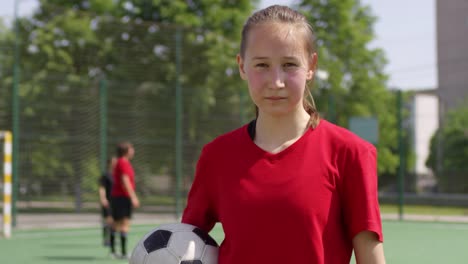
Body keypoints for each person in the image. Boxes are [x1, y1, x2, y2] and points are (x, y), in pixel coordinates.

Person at [182, 5, 386, 264]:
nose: (275, 81)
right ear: (242, 66)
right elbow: (184, 245)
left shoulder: (351, 152)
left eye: (289, 64)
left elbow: (371, 257)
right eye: (262, 65)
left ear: (311, 65)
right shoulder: (216, 156)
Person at [109, 142, 140, 259]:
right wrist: (133, 197)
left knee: (117, 223)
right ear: (126, 151)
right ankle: (122, 252)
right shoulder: (123, 162)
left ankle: (114, 251)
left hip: (119, 197)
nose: (133, 151)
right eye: (132, 149)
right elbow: (125, 180)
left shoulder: (122, 162)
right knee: (124, 223)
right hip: (122, 197)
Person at [98, 157, 116, 247]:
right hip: (107, 201)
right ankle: (106, 239)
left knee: (114, 222)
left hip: (115, 202)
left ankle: (112, 239)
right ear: (109, 163)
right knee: (108, 220)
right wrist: (103, 198)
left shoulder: (117, 175)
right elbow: (102, 188)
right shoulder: (105, 175)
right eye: (113, 162)